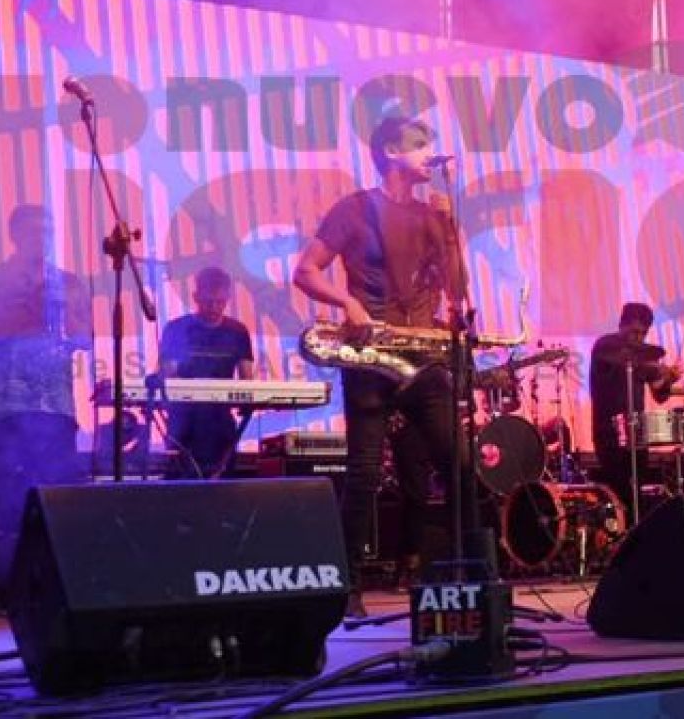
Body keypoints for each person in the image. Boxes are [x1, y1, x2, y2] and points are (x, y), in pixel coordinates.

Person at [292, 116, 469, 613]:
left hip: (423, 352)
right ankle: (347, 588)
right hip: (371, 353)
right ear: (391, 151)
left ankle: (470, 574)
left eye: (431, 142)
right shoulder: (353, 209)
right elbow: (305, 272)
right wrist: (347, 305)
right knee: (365, 472)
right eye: (420, 143)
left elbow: (457, 291)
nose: (430, 151)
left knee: (458, 464)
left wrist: (451, 232)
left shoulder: (435, 215)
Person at [0, 204, 92, 605]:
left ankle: (53, 584)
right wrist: (27, 313)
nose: (42, 239)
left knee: (53, 491)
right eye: (34, 231)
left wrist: (62, 316)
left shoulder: (68, 283)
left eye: (48, 231)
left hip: (55, 405)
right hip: (1, 404)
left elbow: (85, 337)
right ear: (15, 235)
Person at [157, 266, 256, 478]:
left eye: (220, 302)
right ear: (196, 297)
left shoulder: (237, 331)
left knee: (224, 484)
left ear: (228, 298)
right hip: (184, 420)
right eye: (207, 302)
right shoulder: (177, 329)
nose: (213, 308)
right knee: (180, 482)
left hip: (220, 419)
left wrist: (249, 399)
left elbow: (247, 378)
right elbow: (167, 375)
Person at [588, 301, 679, 516]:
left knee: (637, 492)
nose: (639, 338)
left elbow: (660, 395)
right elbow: (631, 364)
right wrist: (657, 369)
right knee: (620, 491)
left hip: (638, 434)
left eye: (643, 333)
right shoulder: (606, 346)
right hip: (609, 433)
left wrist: (668, 380)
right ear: (622, 326)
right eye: (634, 332)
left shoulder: (642, 358)